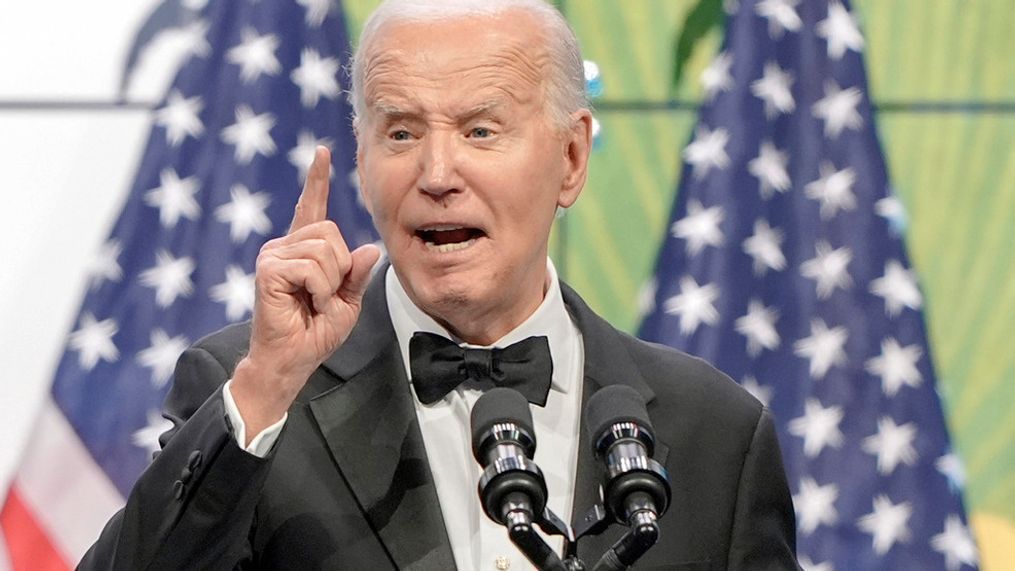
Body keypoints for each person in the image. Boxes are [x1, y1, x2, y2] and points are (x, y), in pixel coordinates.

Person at [80, 0, 799, 568]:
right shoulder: (254, 397)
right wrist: (267, 385)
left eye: (481, 131)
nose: (435, 174)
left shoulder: (716, 433)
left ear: (571, 157)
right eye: (399, 133)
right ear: (360, 159)